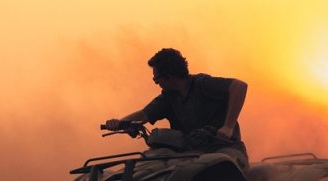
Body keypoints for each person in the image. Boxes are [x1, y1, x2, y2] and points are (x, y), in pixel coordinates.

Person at [104, 48, 249, 166]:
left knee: (218, 169)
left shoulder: (202, 84)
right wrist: (119, 123)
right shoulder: (169, 98)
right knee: (150, 162)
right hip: (189, 153)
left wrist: (228, 127)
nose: (156, 82)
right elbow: (143, 115)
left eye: (156, 78)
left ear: (169, 75)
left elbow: (239, 86)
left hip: (225, 148)